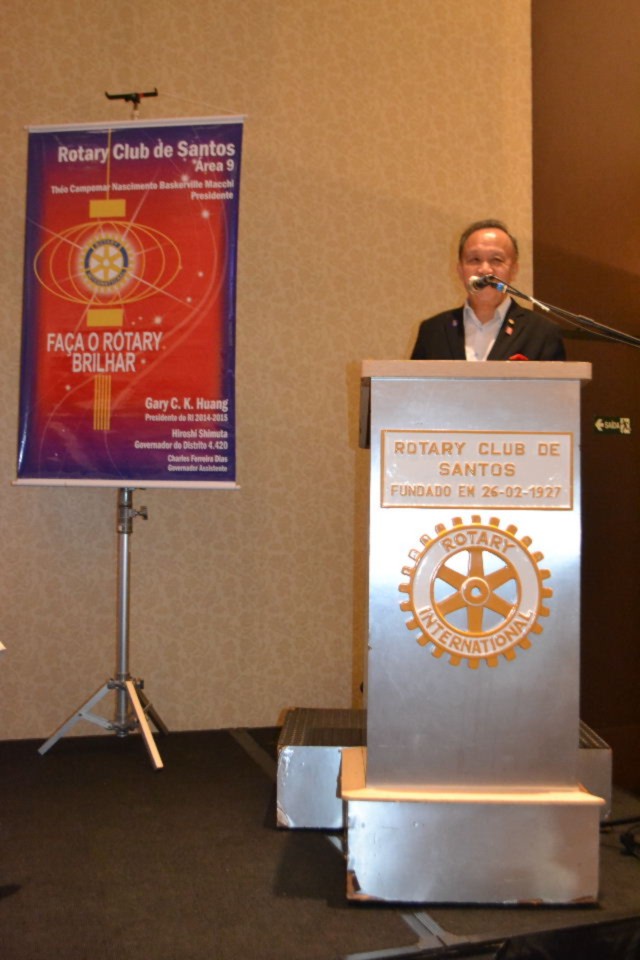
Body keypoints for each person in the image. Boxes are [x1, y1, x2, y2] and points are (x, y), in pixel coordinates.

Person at [411, 219, 566, 361]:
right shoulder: (432, 331)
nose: (485, 270)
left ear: (513, 270)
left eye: (496, 260)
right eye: (474, 260)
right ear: (460, 270)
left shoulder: (542, 333)